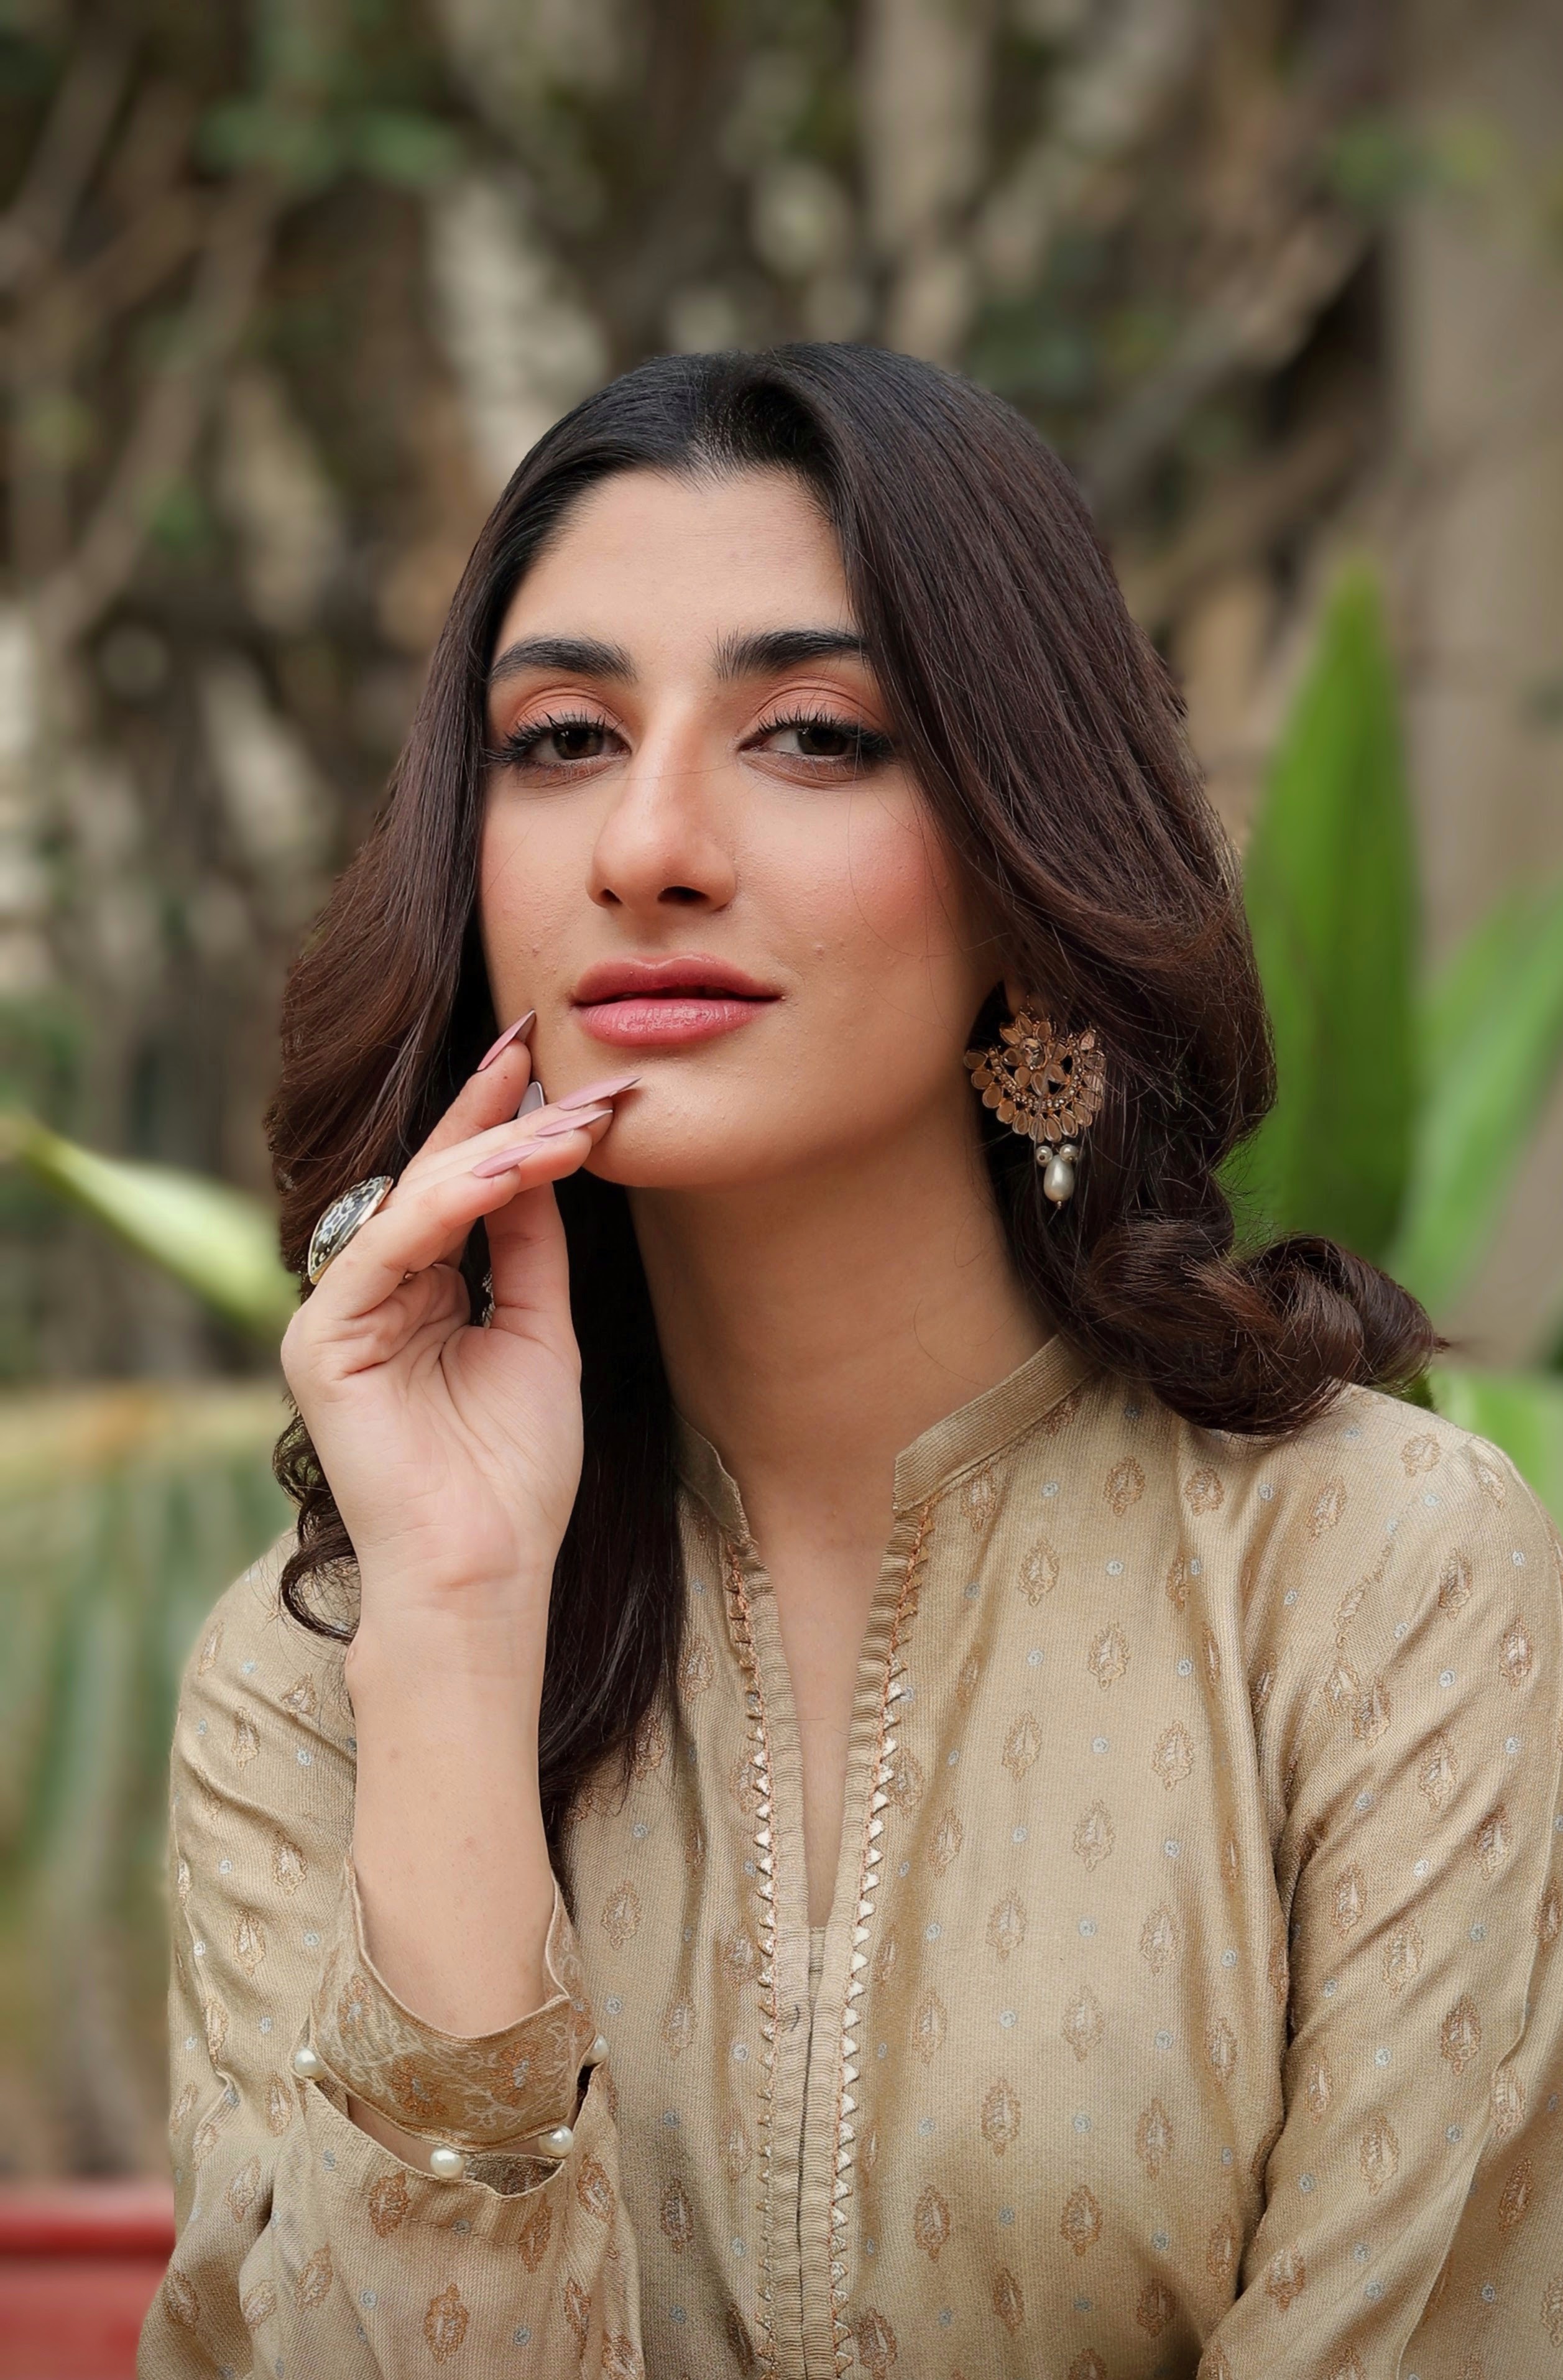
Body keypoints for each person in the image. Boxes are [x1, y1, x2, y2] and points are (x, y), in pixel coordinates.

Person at [141, 346, 1562, 2380]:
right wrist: (450, 1631)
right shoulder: (318, 1678)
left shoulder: (1366, 1579)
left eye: (812, 734)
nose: (648, 842)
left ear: (1019, 846)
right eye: (561, 740)